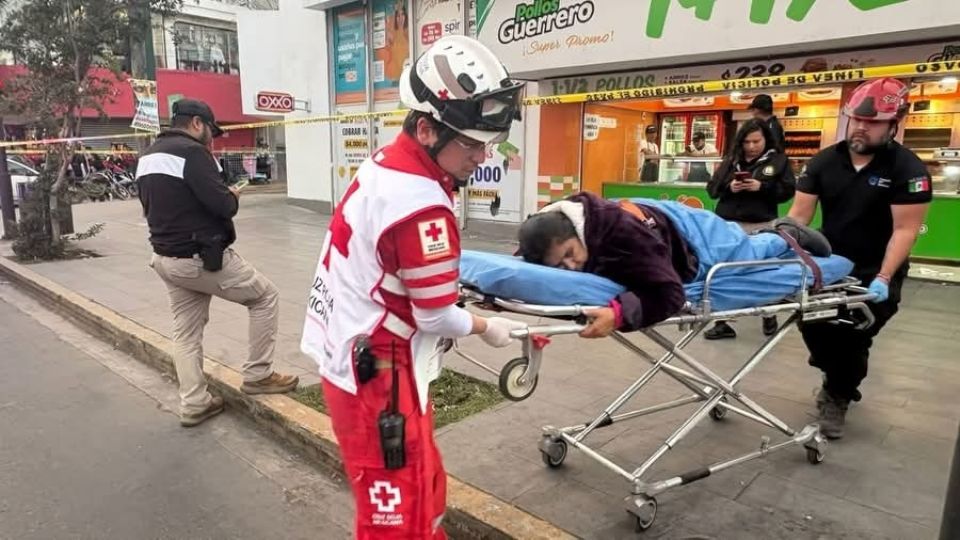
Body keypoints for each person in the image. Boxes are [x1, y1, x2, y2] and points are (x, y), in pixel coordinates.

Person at [300, 36, 528, 539]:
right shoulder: (423, 205)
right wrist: (489, 326)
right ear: (426, 128)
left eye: (485, 142)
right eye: (469, 142)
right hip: (380, 370)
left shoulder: (386, 163)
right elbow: (435, 316)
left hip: (355, 351)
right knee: (396, 511)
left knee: (421, 485)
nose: (481, 155)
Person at [137, 99, 299, 428]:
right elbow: (222, 206)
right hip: (200, 258)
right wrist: (233, 196)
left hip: (165, 258)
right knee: (265, 296)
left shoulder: (148, 155)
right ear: (197, 123)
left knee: (185, 332)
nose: (213, 136)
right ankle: (258, 375)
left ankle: (194, 403)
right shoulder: (193, 153)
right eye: (211, 129)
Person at [787, 77, 931, 439]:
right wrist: (779, 249)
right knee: (813, 325)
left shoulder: (908, 170)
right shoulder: (823, 162)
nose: (861, 127)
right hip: (830, 265)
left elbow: (904, 230)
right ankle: (835, 371)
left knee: (853, 336)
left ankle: (836, 395)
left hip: (876, 268)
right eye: (856, 119)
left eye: (872, 122)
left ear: (894, 123)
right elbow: (799, 217)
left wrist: (883, 278)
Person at [516, 191, 828, 338]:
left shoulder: (620, 237)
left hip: (696, 240)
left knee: (745, 250)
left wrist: (619, 313)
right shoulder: (557, 223)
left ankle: (784, 235)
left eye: (571, 254)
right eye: (560, 265)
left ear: (578, 233)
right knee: (741, 244)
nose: (571, 266)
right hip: (655, 217)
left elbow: (669, 293)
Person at [705, 119, 796, 339]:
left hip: (761, 224)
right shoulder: (731, 160)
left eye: (756, 141)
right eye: (747, 142)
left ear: (766, 139)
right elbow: (712, 189)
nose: (752, 146)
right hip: (728, 225)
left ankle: (769, 313)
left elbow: (788, 191)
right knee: (725, 271)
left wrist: (761, 187)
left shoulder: (779, 161)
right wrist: (730, 187)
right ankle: (722, 321)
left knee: (763, 270)